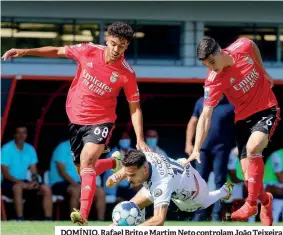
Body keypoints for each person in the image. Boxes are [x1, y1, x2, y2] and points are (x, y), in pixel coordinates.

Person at [2, 22, 150, 225]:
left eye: (122, 45)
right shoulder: (88, 50)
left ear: (127, 46)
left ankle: (82, 215)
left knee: (88, 162)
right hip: (76, 120)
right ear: (107, 39)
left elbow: (135, 107)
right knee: (84, 171)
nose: (116, 49)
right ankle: (114, 163)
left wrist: (140, 139)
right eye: (114, 43)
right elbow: (57, 50)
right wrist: (25, 51)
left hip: (102, 121)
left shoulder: (126, 73)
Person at [186, 36, 281, 225]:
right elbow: (205, 115)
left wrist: (263, 72)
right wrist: (197, 147)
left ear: (220, 51)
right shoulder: (213, 80)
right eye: (207, 65)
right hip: (243, 121)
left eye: (212, 62)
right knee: (249, 178)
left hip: (267, 109)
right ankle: (265, 200)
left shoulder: (242, 46)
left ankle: (251, 204)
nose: (211, 68)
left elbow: (253, 45)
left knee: (254, 148)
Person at [107, 150, 233, 226]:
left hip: (193, 194)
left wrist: (133, 229)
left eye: (132, 175)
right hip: (176, 174)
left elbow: (159, 221)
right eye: (128, 175)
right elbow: (127, 170)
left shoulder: (161, 183)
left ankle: (224, 191)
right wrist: (115, 178)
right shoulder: (142, 158)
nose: (129, 179)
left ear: (145, 169)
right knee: (130, 207)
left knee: (201, 202)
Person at [185, 95, 234, 221]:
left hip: (222, 148)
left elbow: (240, 124)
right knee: (199, 181)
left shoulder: (231, 103)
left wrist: (238, 145)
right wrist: (188, 143)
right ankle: (198, 214)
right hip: (202, 148)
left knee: (220, 180)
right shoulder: (201, 101)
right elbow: (193, 122)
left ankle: (217, 215)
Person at [1, 124, 53, 221]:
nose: (21, 136)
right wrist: (21, 183)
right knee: (18, 187)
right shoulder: (6, 149)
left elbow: (34, 171)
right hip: (8, 181)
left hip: (24, 181)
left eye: (24, 133)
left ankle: (48, 220)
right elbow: (5, 173)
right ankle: (20, 219)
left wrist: (35, 181)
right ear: (14, 135)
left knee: (46, 188)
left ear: (27, 135)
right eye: (18, 133)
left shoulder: (30, 149)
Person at [264, 149, 283, 223]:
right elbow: (281, 178)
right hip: (263, 185)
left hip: (276, 184)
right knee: (281, 190)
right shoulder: (276, 155)